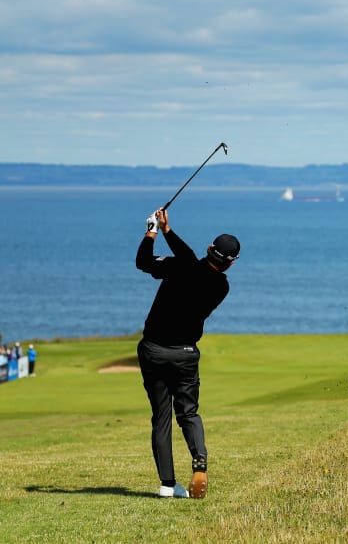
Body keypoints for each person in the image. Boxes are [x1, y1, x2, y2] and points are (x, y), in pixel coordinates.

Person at [135, 208, 240, 499]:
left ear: (210, 248)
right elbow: (192, 261)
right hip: (184, 354)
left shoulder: (179, 267)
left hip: (153, 351)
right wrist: (169, 232)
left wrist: (153, 231)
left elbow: (143, 261)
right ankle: (200, 460)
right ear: (231, 263)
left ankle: (167, 486)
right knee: (188, 412)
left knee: (161, 417)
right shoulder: (221, 286)